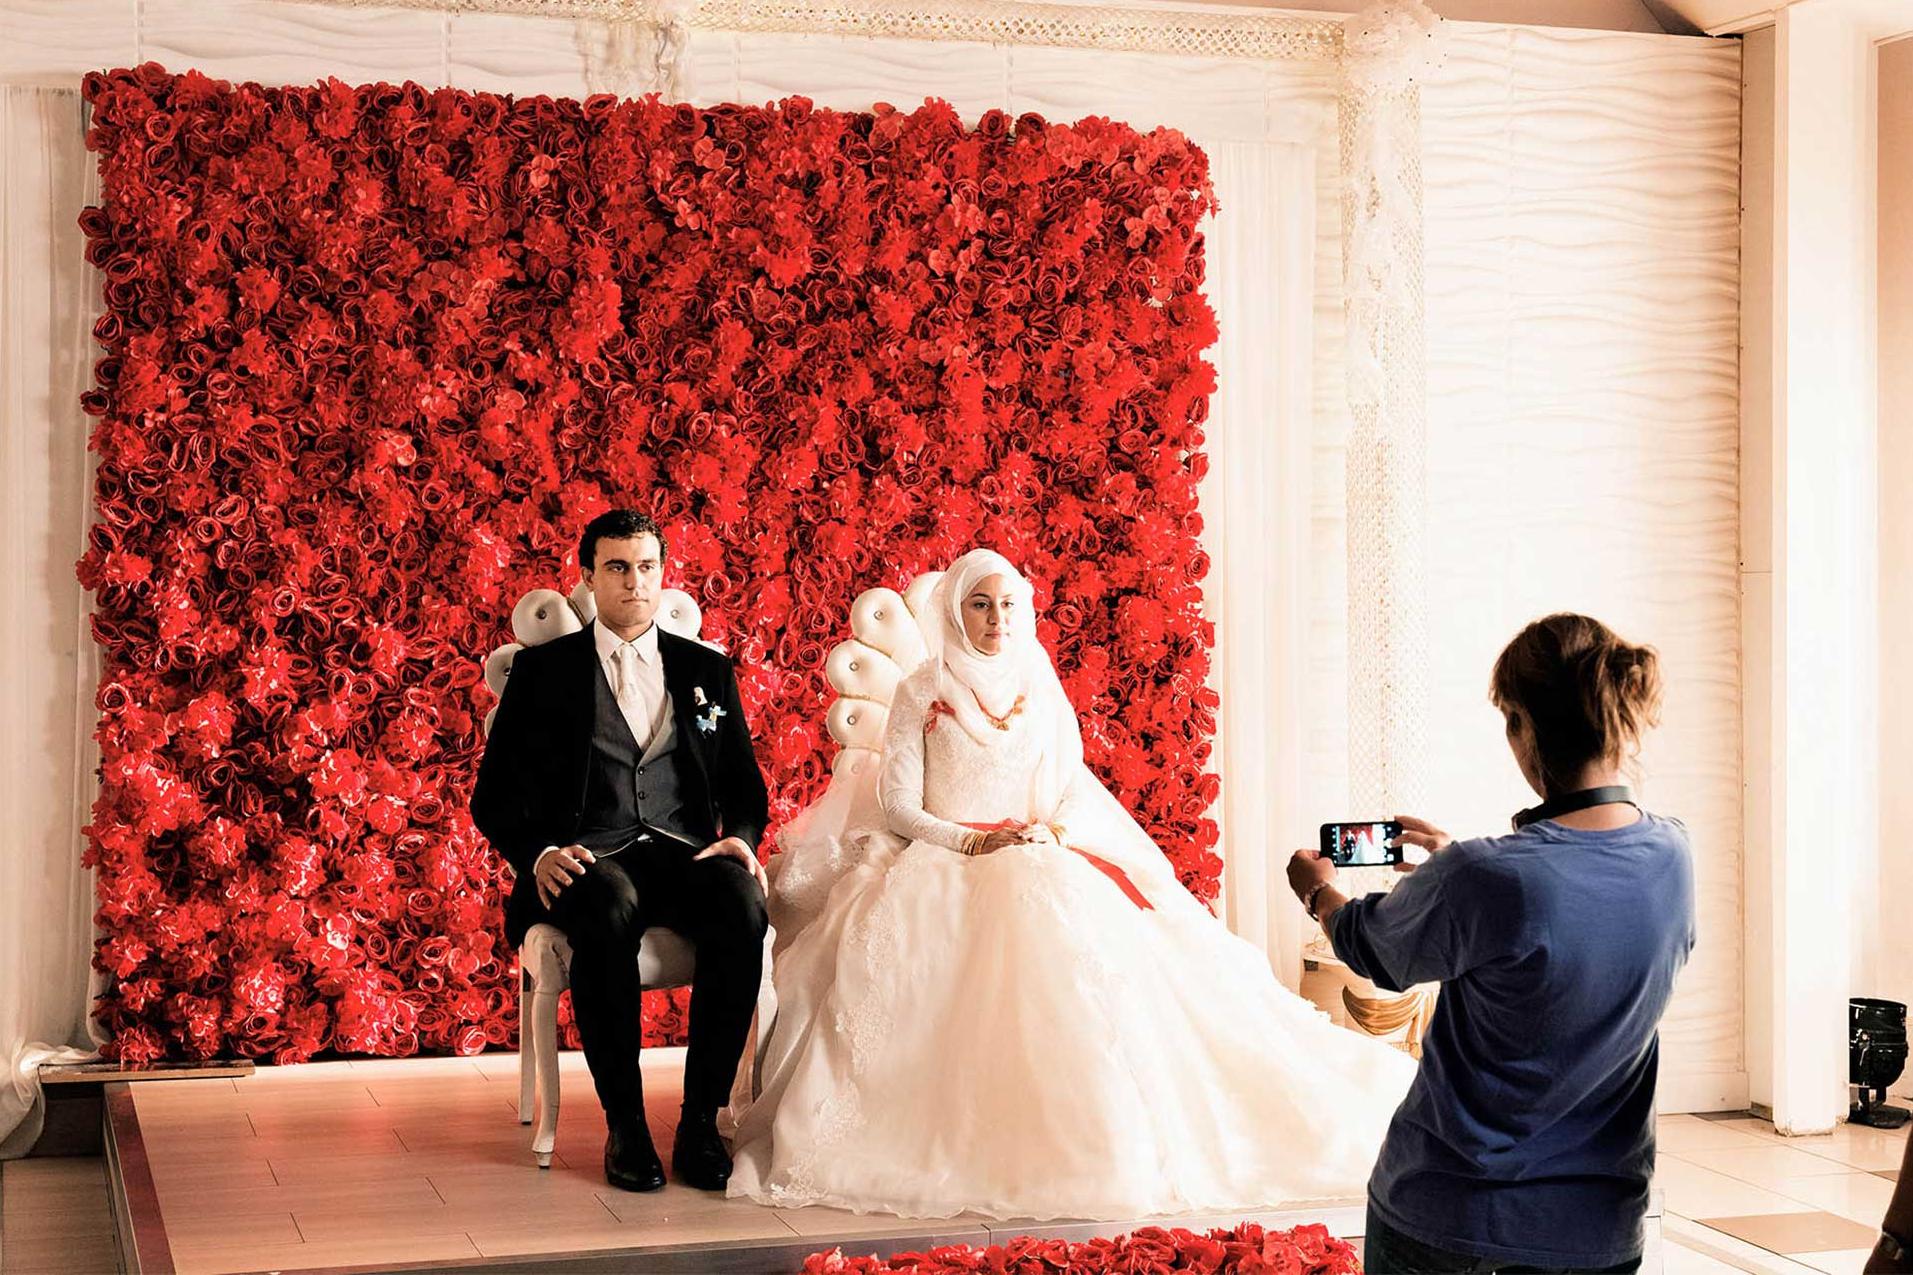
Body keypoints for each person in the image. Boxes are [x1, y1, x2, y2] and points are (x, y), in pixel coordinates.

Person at [727, 548, 1416, 1219]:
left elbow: (1069, 788)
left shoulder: (1038, 678)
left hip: (1033, 847)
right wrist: (973, 839)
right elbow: (902, 804)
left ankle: (1110, 1128)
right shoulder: (921, 689)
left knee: (1079, 943)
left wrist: (1047, 834)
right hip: (942, 855)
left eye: (1006, 604)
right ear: (955, 611)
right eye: (979, 604)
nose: (995, 617)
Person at [1287, 613, 1694, 1274]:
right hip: (1599, 1228)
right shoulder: (1674, 853)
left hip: (1456, 1220)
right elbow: (1567, 918)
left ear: (1522, 727)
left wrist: (1316, 890)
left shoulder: (1484, 875)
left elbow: (1374, 951)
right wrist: (1451, 865)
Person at [471, 509, 770, 1193]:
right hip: (584, 858)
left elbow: (744, 789)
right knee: (609, 901)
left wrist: (741, 839)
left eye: (646, 567)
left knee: (740, 904)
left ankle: (698, 1122)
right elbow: (491, 797)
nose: (634, 582)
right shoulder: (542, 672)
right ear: (587, 576)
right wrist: (538, 851)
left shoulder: (706, 670)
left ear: (661, 574)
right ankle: (626, 1125)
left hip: (680, 851)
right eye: (616, 567)